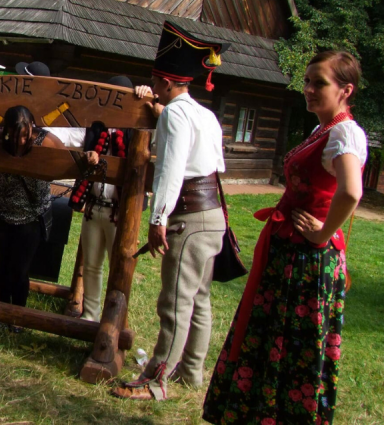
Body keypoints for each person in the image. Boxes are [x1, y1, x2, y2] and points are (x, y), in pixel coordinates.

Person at [203, 51, 365, 425]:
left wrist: (323, 233)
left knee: (290, 345)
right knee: (271, 337)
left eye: (319, 83)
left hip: (307, 261)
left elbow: (351, 192)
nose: (308, 89)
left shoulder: (345, 133)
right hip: (289, 253)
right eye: (307, 81)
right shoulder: (323, 130)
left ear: (345, 90)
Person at [113, 22, 228, 401]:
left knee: (175, 302)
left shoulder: (174, 116)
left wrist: (158, 218)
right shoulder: (204, 114)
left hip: (188, 218)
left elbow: (170, 170)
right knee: (199, 299)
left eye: (154, 79)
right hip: (212, 215)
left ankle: (156, 381)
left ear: (164, 82)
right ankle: (191, 373)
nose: (152, 83)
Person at [0, 106, 97, 324]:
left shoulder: (46, 140)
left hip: (31, 215)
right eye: (15, 136)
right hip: (2, 211)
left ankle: (18, 317)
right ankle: (2, 313)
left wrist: (88, 157)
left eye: (25, 135)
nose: (21, 141)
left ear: (32, 127)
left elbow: (68, 160)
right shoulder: (0, 138)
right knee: (4, 265)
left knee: (21, 269)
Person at [70, 75, 135, 322]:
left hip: (118, 212)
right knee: (92, 265)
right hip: (94, 207)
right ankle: (90, 314)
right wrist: (89, 154)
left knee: (117, 268)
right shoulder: (96, 127)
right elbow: (81, 147)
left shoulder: (133, 131)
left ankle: (114, 317)